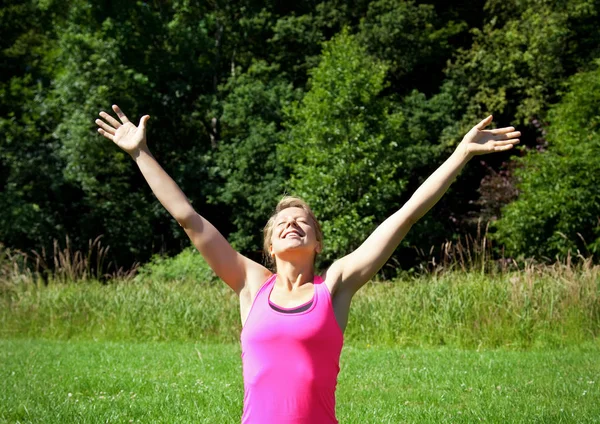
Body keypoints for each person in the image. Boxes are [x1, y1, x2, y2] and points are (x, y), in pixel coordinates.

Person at [95, 105, 520, 423]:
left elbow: (406, 215)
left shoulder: (333, 286)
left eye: (303, 222)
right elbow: (188, 218)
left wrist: (460, 155)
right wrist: (140, 153)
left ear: (317, 242)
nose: (292, 225)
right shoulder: (250, 283)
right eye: (282, 223)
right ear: (269, 244)